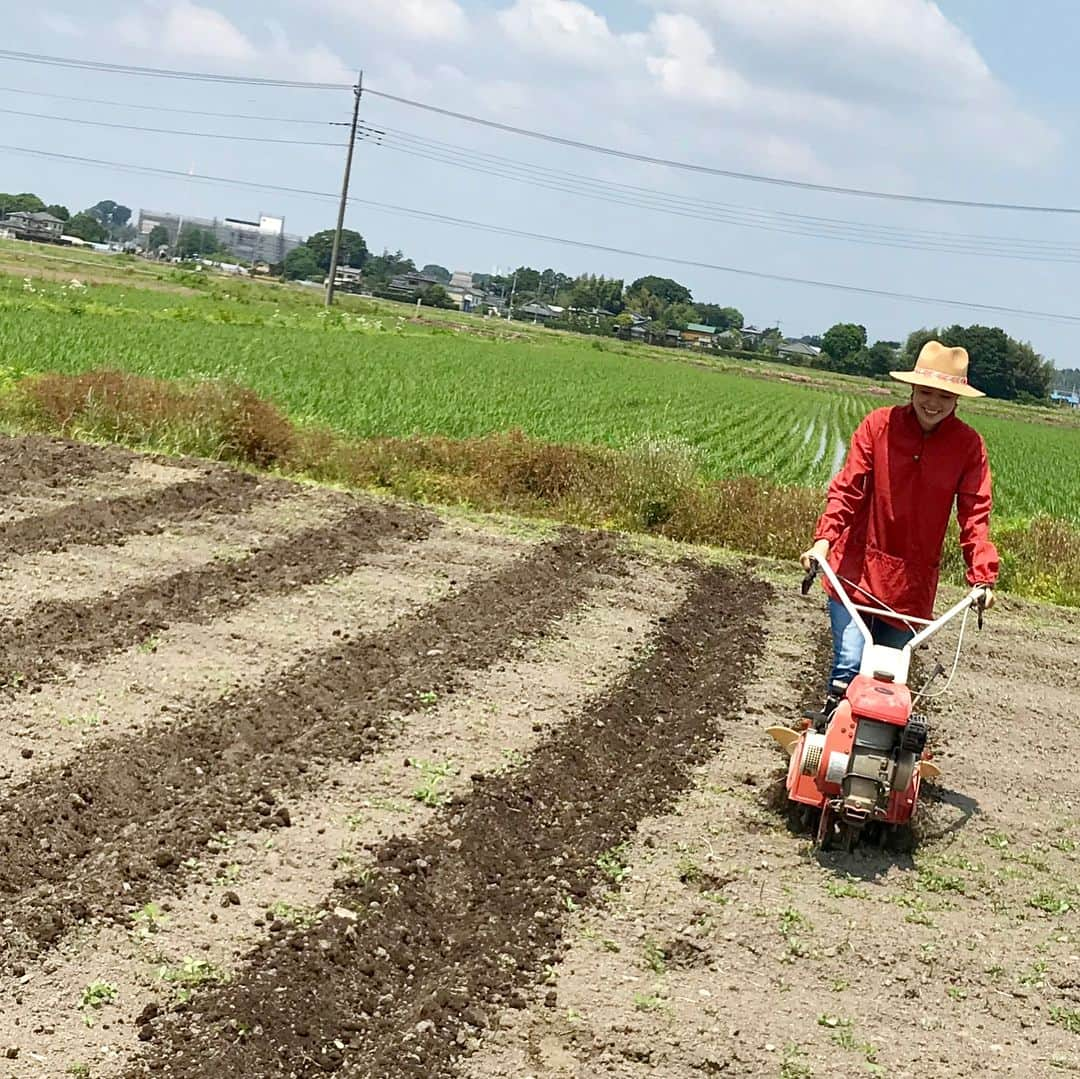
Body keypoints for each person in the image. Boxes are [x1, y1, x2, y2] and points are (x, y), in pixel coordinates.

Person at [800, 340, 999, 705]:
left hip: (910, 584)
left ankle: (884, 757)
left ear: (958, 399)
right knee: (848, 667)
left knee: (888, 681)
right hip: (853, 569)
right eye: (926, 392)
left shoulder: (968, 446)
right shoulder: (879, 426)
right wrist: (824, 541)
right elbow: (849, 488)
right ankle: (830, 740)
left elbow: (975, 515)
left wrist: (982, 577)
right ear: (912, 388)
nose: (933, 403)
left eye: (945, 396)